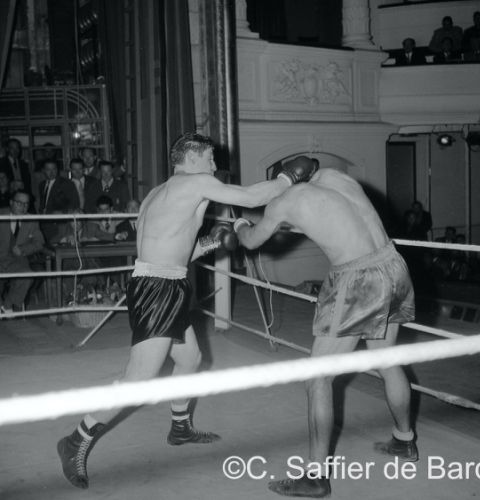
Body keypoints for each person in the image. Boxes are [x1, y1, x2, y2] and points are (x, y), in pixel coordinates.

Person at [56, 132, 317, 489]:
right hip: (158, 289)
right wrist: (287, 177)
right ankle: (75, 440)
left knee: (190, 358)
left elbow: (172, 250)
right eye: (209, 158)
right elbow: (252, 197)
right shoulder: (196, 183)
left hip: (164, 283)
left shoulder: (157, 193)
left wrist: (210, 242)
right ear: (192, 158)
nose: (214, 165)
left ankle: (180, 427)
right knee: (139, 377)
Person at [235, 164, 416, 498]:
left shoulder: (285, 201)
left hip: (359, 279)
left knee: (318, 378)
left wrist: (239, 224)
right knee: (386, 359)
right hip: (393, 264)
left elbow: (250, 241)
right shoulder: (337, 177)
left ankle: (315, 477)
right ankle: (404, 441)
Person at [0, 190, 45, 315]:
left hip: (17, 260)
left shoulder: (32, 220)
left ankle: (7, 305)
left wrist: (23, 249)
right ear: (11, 202)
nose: (23, 207)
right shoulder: (1, 215)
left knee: (27, 276)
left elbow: (39, 243)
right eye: (19, 203)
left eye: (26, 204)